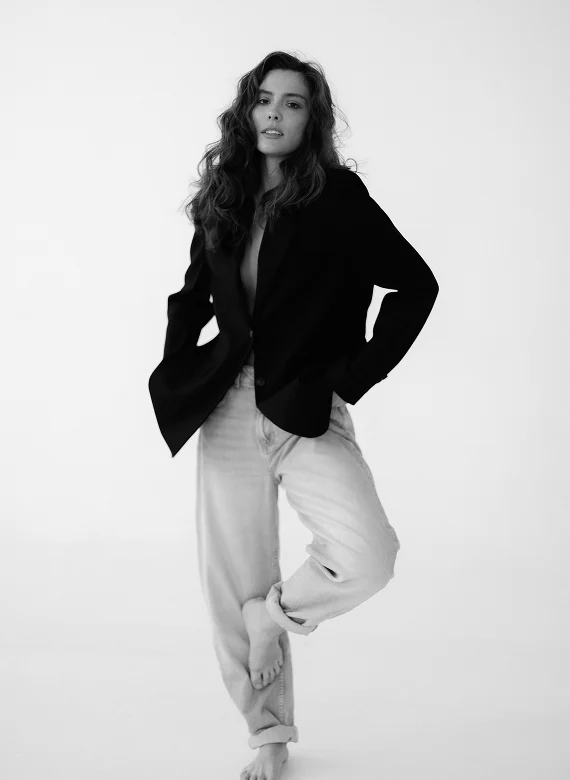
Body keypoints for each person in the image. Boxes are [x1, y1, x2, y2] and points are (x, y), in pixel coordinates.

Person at [148, 51, 439, 780]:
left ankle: (271, 617)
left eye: (294, 103)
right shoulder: (224, 196)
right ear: (246, 110)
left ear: (314, 120)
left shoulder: (337, 197)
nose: (275, 113)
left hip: (304, 405)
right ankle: (268, 735)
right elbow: (191, 296)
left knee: (368, 554)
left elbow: (415, 284)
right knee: (231, 575)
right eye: (265, 99)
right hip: (227, 404)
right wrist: (178, 370)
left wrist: (353, 377)